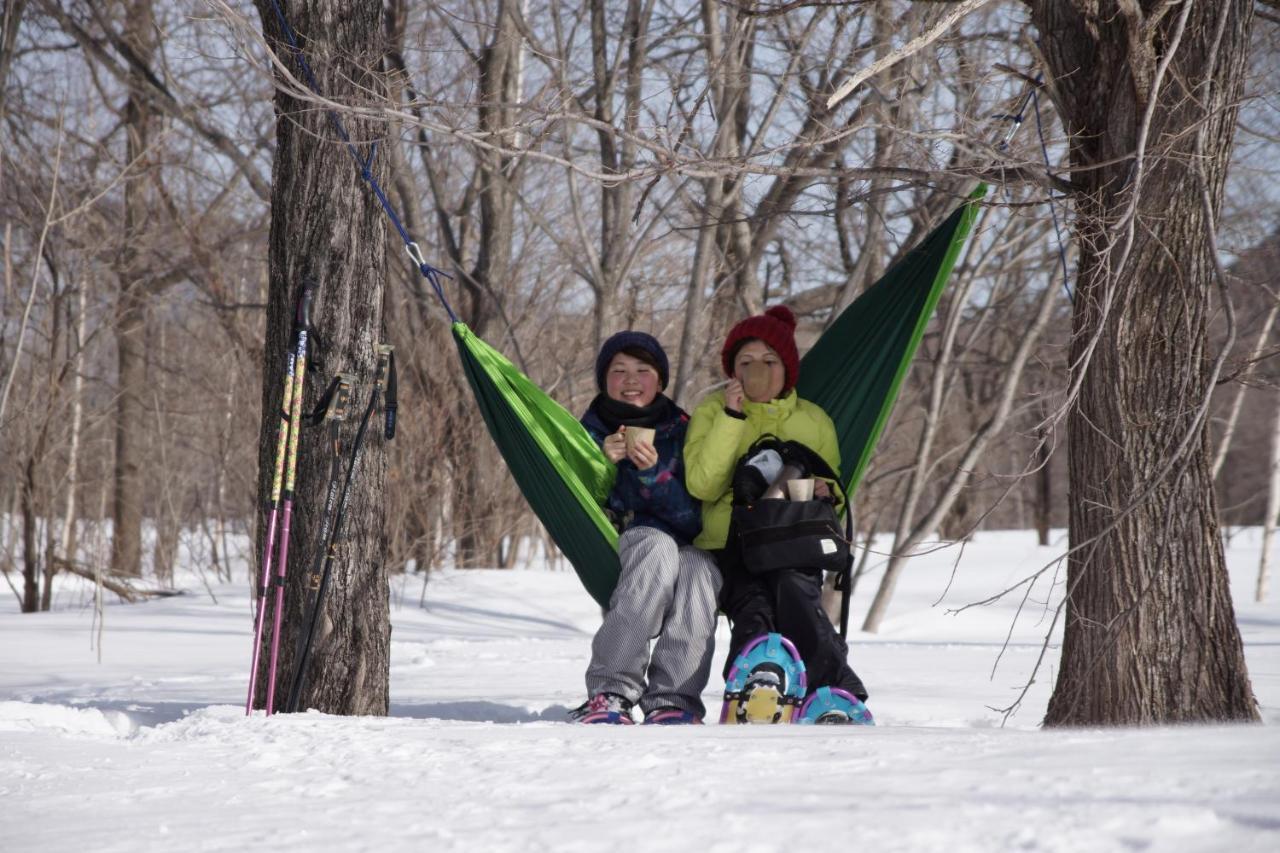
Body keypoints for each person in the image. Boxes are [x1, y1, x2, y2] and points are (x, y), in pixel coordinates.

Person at [683, 305, 869, 714]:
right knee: (753, 602)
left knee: (796, 589)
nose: (758, 370)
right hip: (728, 541)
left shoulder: (814, 420)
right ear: (732, 370)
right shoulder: (713, 411)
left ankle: (834, 692)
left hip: (792, 539)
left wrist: (825, 489)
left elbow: (834, 486)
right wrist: (732, 417)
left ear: (787, 369)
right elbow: (702, 484)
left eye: (769, 361)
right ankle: (756, 681)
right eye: (745, 362)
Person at [568, 331, 721, 725]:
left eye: (642, 370)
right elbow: (575, 504)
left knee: (700, 569)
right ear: (604, 379)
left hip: (685, 542)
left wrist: (652, 472)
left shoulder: (687, 430)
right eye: (618, 370)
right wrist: (601, 464)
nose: (630, 379)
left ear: (661, 379)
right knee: (655, 547)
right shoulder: (583, 435)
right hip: (618, 541)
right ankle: (611, 692)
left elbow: (693, 515)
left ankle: (674, 700)